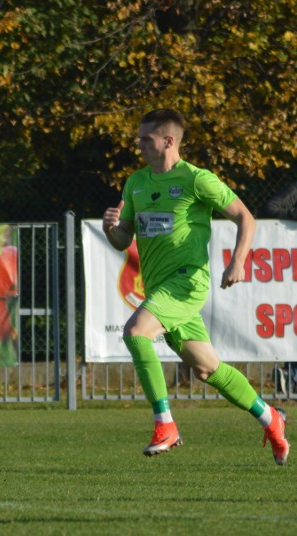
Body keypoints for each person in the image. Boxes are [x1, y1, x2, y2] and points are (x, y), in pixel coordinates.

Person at [102, 108, 290, 464]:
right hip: (159, 288)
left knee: (136, 332)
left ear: (168, 141)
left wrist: (238, 261)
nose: (139, 144)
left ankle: (165, 425)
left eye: (146, 138)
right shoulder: (136, 181)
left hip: (187, 281)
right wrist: (111, 229)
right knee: (206, 368)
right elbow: (123, 238)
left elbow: (245, 218)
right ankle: (271, 418)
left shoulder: (196, 179)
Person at [257, 181, 297, 394]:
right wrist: (293, 214)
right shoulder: (294, 189)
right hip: (289, 268)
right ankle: (290, 375)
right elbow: (267, 209)